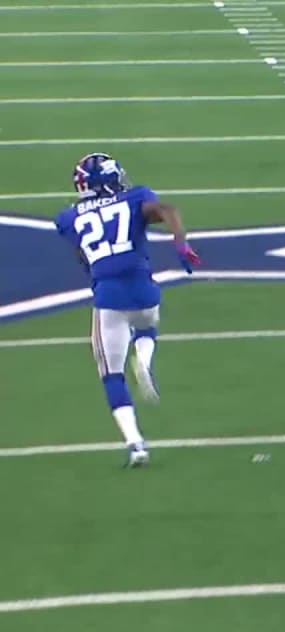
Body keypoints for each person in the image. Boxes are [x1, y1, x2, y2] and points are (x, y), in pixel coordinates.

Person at [53, 153, 201, 467]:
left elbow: (83, 255)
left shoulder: (67, 218)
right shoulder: (135, 198)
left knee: (112, 375)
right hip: (144, 289)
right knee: (148, 325)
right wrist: (181, 246)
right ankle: (145, 359)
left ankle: (136, 444)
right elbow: (168, 210)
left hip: (108, 296)